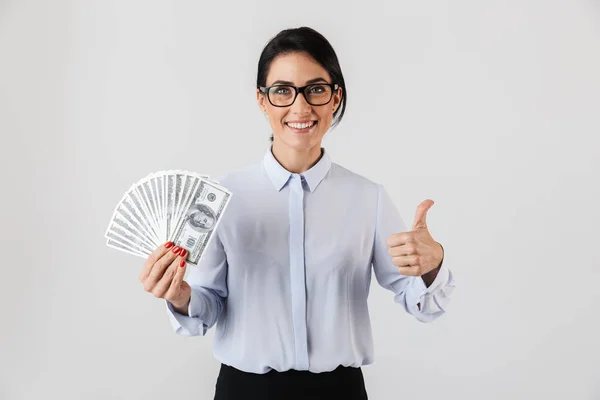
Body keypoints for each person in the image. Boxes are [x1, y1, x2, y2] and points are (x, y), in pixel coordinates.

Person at [138, 26, 456, 400]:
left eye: (316, 89)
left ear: (335, 98)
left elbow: (421, 303)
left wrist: (433, 263)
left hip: (338, 391)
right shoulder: (218, 197)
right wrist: (180, 296)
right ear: (262, 99)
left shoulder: (367, 198)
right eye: (283, 91)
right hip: (244, 391)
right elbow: (207, 306)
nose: (300, 107)